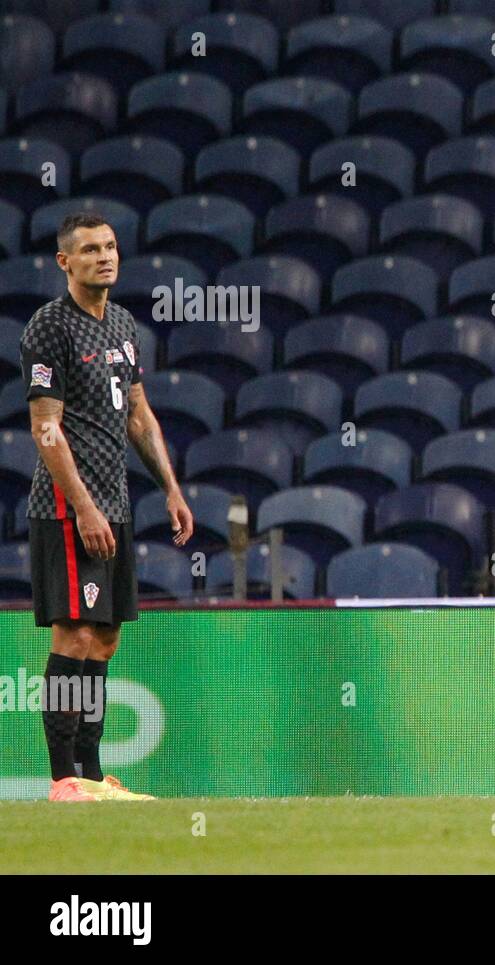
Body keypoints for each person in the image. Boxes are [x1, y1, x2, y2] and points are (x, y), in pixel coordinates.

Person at [21, 213, 194, 802]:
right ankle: (64, 777)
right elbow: (46, 428)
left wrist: (170, 486)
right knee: (73, 633)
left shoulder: (122, 324)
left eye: (111, 246)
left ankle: (92, 777)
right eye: (90, 249)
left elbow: (139, 414)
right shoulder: (50, 327)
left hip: (115, 504)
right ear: (65, 261)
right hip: (69, 509)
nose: (105, 256)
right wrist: (85, 509)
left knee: (106, 637)